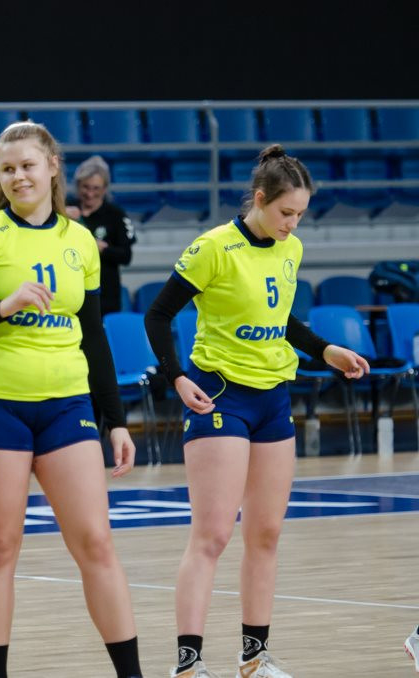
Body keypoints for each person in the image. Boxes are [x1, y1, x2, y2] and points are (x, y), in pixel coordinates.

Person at [143, 145, 370, 678]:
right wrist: (176, 376)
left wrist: (325, 350)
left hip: (272, 399)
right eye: (286, 212)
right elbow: (158, 315)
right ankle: (188, 665)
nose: (293, 224)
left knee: (266, 534)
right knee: (212, 536)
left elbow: (281, 317)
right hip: (220, 394)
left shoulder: (291, 249)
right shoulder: (213, 248)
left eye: (301, 215)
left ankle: (254, 658)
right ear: (260, 199)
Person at [0, 121, 142, 678]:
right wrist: (2, 308)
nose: (18, 176)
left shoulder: (80, 241)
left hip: (67, 404)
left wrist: (115, 420)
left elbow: (93, 335)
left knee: (95, 542)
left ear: (51, 167)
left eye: (27, 165)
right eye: (7, 168)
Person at [64, 155, 136, 316]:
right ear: (78, 185)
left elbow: (126, 256)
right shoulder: (64, 208)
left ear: (105, 188)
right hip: (70, 291)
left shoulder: (116, 214)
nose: (90, 193)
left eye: (96, 188)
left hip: (105, 296)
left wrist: (102, 249)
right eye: (85, 187)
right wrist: (60, 214)